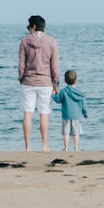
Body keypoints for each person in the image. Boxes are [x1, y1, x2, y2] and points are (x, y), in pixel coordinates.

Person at [18, 15, 59, 151]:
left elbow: (21, 65)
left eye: (29, 26)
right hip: (45, 82)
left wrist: (21, 79)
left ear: (33, 26)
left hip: (28, 82)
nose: (28, 29)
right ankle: (45, 145)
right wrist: (56, 83)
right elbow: (54, 66)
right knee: (44, 113)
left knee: (28, 113)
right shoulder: (52, 42)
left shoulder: (24, 42)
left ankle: (27, 147)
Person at [52, 69, 88, 151]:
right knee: (76, 133)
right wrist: (85, 113)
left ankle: (66, 147)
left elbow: (58, 100)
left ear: (65, 81)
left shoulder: (63, 91)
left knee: (66, 133)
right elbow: (83, 104)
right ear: (76, 80)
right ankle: (76, 148)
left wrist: (53, 94)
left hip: (66, 115)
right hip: (76, 116)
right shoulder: (79, 93)